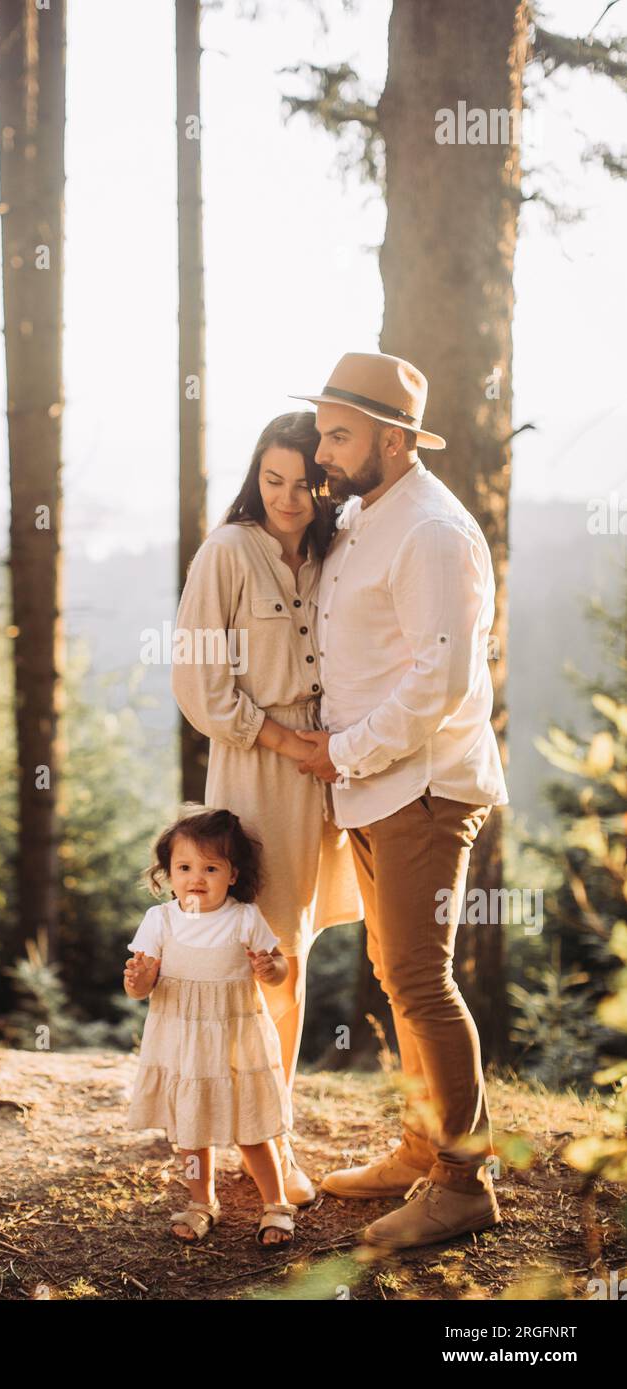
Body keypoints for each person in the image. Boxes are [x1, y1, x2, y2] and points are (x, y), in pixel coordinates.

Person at [290, 350, 510, 1250]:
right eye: (320, 434)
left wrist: (344, 753)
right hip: (376, 787)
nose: (321, 452)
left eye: (338, 436)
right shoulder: (368, 516)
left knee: (421, 977)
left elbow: (440, 683)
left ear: (392, 439)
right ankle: (426, 1146)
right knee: (396, 971)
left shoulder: (431, 530)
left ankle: (463, 1183)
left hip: (421, 786)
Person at [170, 412, 363, 1206]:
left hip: (326, 774)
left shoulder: (332, 549)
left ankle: (268, 1133)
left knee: (290, 959)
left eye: (305, 484)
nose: (287, 499)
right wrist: (289, 745)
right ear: (256, 477)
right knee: (248, 964)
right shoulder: (226, 553)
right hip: (256, 770)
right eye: (272, 480)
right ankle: (230, 1147)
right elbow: (198, 684)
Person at [124, 807, 299, 1246]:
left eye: (210, 867)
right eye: (184, 867)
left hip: (237, 1041)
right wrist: (137, 978)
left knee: (253, 1128)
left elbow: (277, 971)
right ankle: (201, 1202)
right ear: (168, 875)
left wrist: (268, 966)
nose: (195, 878)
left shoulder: (244, 918)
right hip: (184, 1044)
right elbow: (140, 989)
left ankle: (275, 1203)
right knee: (191, 1130)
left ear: (233, 874)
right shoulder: (159, 921)